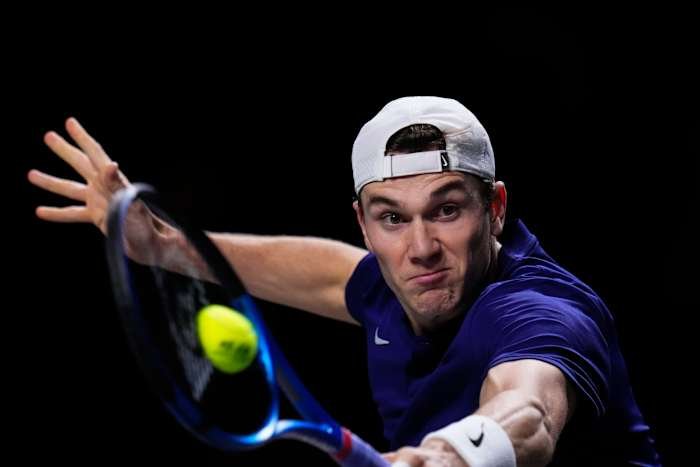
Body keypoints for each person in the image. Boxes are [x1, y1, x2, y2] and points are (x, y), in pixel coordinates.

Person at [28, 96, 660, 466]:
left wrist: (443, 457)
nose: (420, 248)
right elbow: (329, 275)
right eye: (392, 218)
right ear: (364, 223)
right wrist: (162, 245)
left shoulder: (543, 311)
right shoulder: (389, 283)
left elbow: (531, 412)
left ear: (494, 209)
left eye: (446, 210)